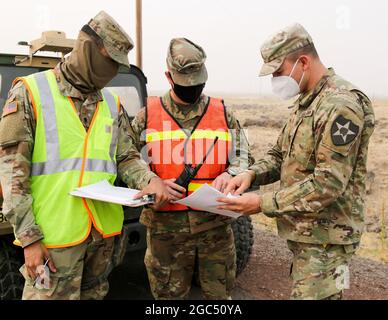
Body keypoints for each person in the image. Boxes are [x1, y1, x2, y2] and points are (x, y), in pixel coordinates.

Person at [0, 10, 168, 300]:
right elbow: (13, 175)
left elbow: (126, 157)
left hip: (101, 240)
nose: (114, 72)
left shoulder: (112, 104)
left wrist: (149, 181)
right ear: (89, 51)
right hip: (53, 243)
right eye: (111, 63)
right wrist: (29, 239)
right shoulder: (30, 93)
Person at [218, 23, 375, 300]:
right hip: (309, 235)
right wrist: (251, 175)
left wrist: (261, 202)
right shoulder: (308, 102)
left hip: (328, 240)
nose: (276, 80)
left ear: (302, 62)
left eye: (278, 72)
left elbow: (327, 183)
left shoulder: (340, 105)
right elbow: (280, 155)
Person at [130, 38, 253, 300]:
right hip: (166, 232)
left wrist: (231, 173)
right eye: (186, 83)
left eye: (197, 83)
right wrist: (150, 180)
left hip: (215, 229)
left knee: (219, 299)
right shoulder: (147, 115)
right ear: (169, 76)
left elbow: (243, 155)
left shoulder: (223, 112)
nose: (192, 89)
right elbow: (126, 157)